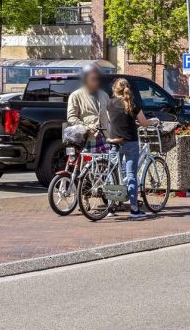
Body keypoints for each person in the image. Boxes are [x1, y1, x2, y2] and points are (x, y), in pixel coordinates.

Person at [106, 78, 159, 219]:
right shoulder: (133, 104)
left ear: (114, 89)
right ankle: (134, 210)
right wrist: (154, 121)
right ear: (128, 88)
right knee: (131, 175)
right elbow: (144, 122)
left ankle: (110, 208)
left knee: (113, 175)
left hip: (114, 142)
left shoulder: (109, 104)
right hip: (130, 142)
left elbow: (111, 120)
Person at [65, 64, 110, 144]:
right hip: (87, 139)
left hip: (105, 138)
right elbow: (71, 118)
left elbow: (110, 115)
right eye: (92, 79)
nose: (96, 82)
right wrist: (86, 127)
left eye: (97, 79)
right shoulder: (76, 95)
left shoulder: (104, 95)